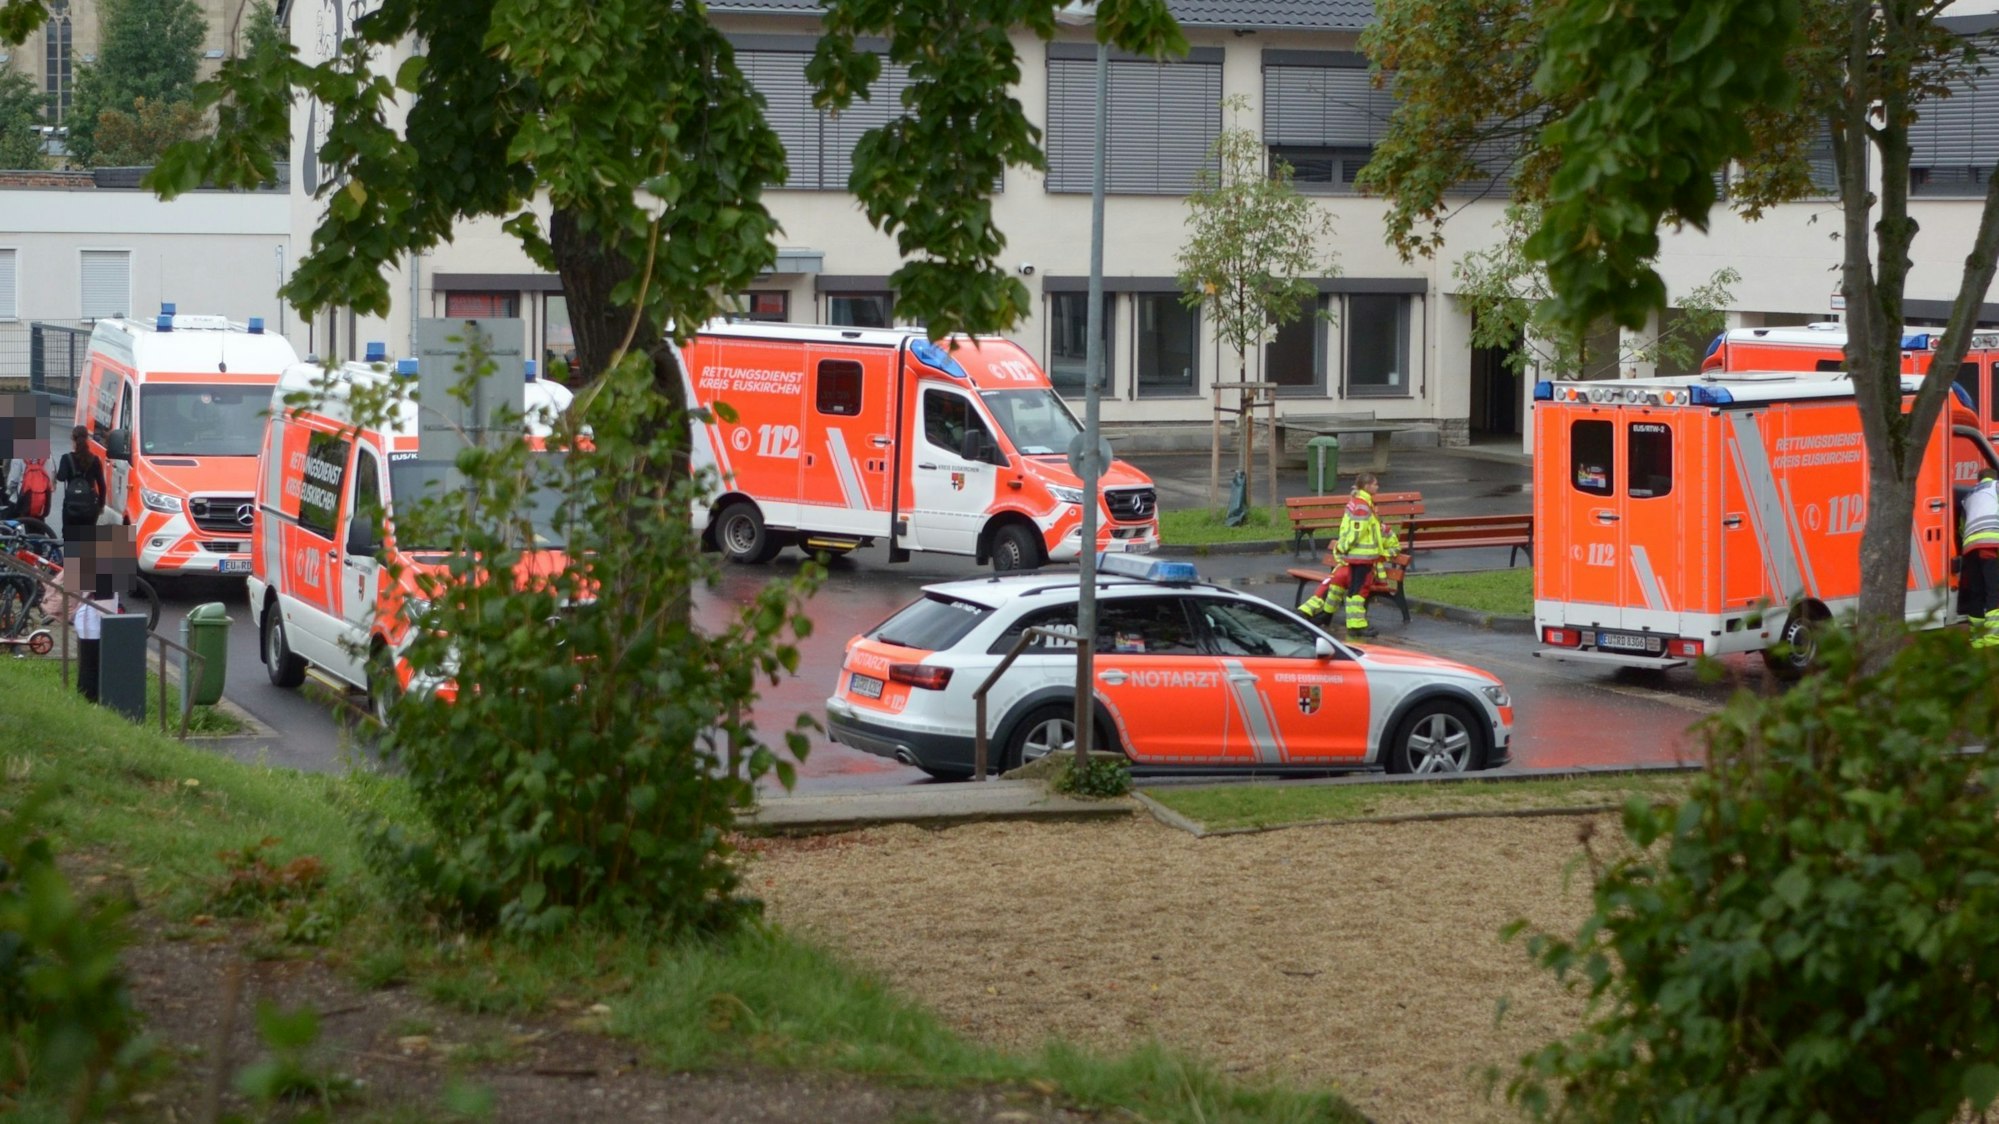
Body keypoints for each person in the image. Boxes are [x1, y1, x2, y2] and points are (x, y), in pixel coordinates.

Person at [1301, 472, 1397, 637]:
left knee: (1348, 586)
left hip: (1358, 557)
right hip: (1361, 558)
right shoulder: (1362, 505)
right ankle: (1355, 625)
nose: (1377, 487)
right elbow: (1356, 532)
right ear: (1367, 486)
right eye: (1375, 484)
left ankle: (1323, 615)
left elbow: (1368, 532)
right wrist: (1343, 548)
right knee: (1358, 591)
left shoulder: (1361, 503)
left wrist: (1343, 548)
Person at [1962, 468, 1999, 649]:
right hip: (1991, 544)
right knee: (1994, 591)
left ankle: (1976, 639)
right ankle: (1993, 639)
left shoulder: (1968, 496)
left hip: (1970, 547)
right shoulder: (1997, 486)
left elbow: (1962, 526)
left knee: (1977, 592)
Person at [55, 425, 107, 541]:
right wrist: (101, 505)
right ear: (87, 440)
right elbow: (102, 485)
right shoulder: (95, 460)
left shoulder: (66, 458)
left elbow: (61, 477)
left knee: (71, 539)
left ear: (73, 440)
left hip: (71, 506)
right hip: (89, 507)